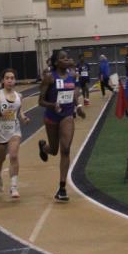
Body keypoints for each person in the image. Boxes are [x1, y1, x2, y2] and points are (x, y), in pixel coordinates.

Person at [37, 50, 85, 202]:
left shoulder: (73, 75)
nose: (66, 59)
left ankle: (62, 188)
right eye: (62, 58)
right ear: (56, 62)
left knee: (65, 149)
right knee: (54, 150)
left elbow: (74, 92)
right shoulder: (49, 77)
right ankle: (43, 147)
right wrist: (53, 105)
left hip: (67, 115)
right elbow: (40, 101)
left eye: (67, 57)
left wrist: (78, 106)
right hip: (52, 116)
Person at [0, 69, 28, 199]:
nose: (10, 80)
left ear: (15, 80)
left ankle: (14, 187)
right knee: (1, 158)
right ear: (3, 80)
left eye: (12, 78)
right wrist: (0, 114)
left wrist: (23, 118)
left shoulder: (19, 96)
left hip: (14, 130)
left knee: (13, 156)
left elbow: (19, 111)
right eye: (7, 78)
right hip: (0, 131)